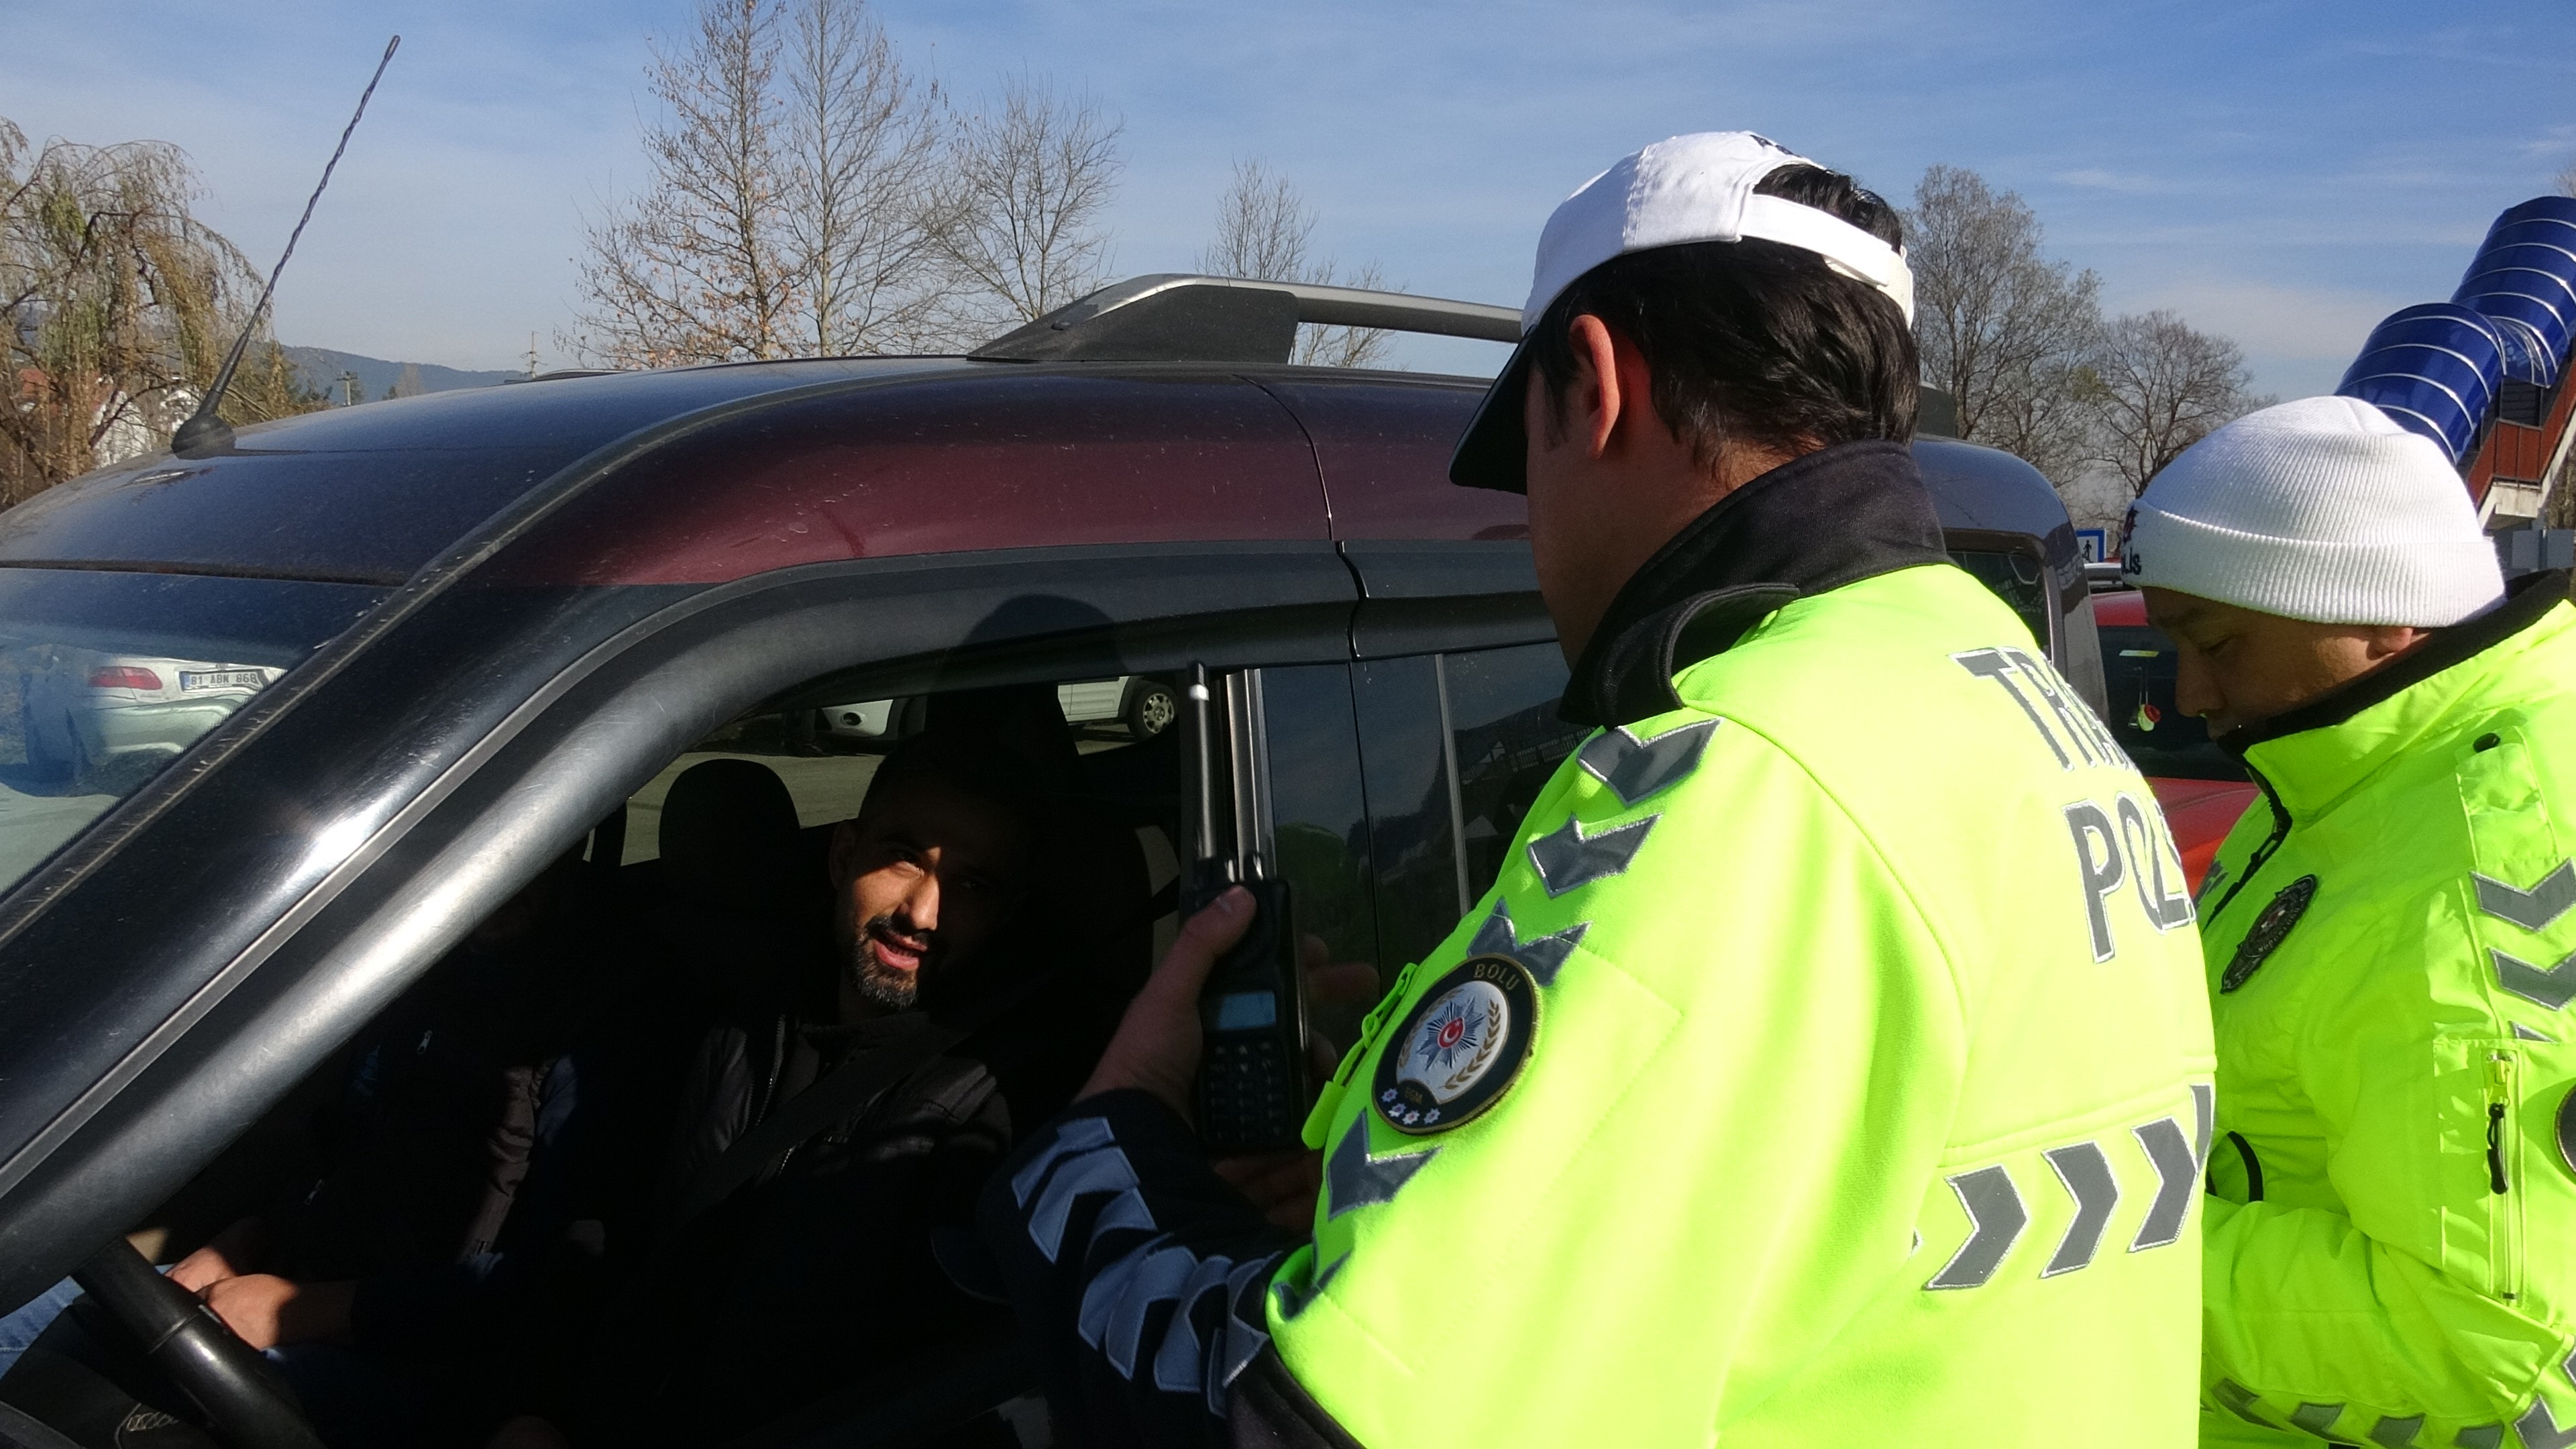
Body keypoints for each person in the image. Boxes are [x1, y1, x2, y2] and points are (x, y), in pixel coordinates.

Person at [981, 130, 2215, 1446]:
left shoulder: (1734, 779)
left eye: (1526, 461)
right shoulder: (2010, 696)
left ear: (1594, 382)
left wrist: (1108, 1134)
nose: (1532, 527)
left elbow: (1294, 1424)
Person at [2123, 396, 2576, 1446]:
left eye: (2216, 642)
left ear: (2383, 613)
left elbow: (2479, 1342)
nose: (2190, 693)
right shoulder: (2350, 779)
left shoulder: (2477, 857)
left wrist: (2094, 1249)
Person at [564, 731, 1077, 1446]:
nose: (923, 913)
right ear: (843, 856)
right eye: (905, 858)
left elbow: (942, 1393)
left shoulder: (998, 1106)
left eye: (972, 886)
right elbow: (616, 1231)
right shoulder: (741, 1019)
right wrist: (535, 1405)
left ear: (1005, 918)